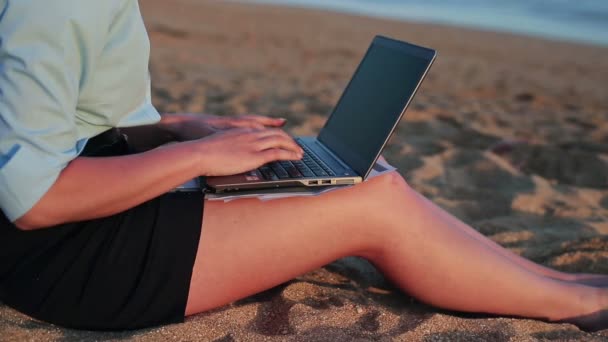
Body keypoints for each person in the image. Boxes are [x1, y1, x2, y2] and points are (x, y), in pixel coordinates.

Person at [0, 0, 606, 332]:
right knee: (374, 207)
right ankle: (570, 304)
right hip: (72, 257)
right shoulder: (55, 5)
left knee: (371, 176)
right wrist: (197, 155)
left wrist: (178, 128)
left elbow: (72, 123)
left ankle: (562, 284)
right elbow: (34, 199)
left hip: (108, 194)